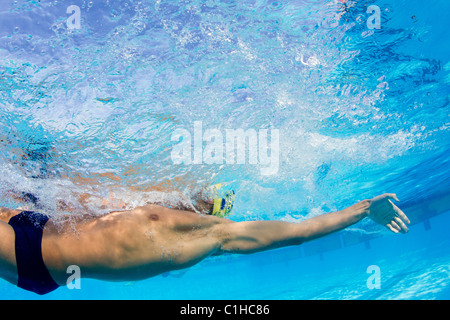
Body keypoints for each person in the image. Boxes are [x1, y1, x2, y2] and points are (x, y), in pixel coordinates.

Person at [0, 190, 410, 295]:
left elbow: (297, 233)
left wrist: (360, 210)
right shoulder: (160, 205)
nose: (206, 199)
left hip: (34, 257)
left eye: (217, 200)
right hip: (40, 222)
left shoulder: (213, 235)